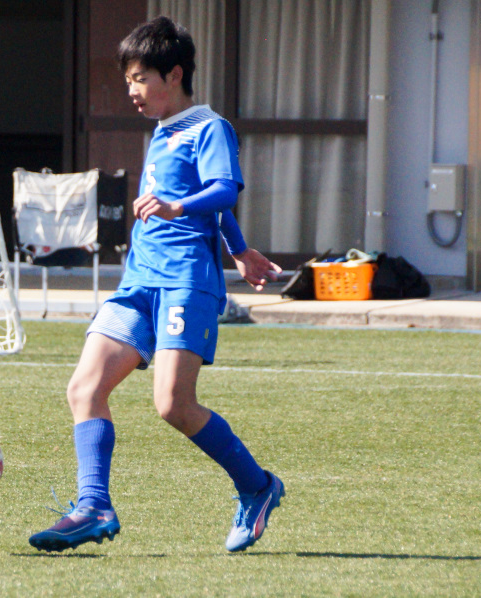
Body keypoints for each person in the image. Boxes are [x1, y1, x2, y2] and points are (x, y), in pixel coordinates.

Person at [29, 16, 283, 553]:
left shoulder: (209, 127)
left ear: (174, 74)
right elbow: (215, 207)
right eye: (128, 80)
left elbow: (222, 190)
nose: (131, 90)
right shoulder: (163, 131)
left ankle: (257, 486)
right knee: (84, 388)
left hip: (186, 282)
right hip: (139, 281)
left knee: (173, 405)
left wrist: (177, 208)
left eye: (140, 78)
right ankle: (94, 505)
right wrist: (240, 250)